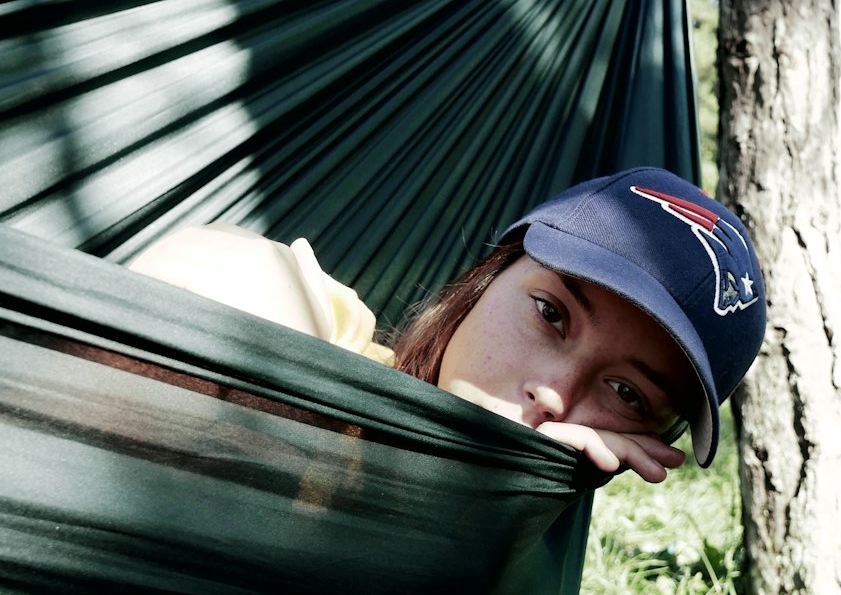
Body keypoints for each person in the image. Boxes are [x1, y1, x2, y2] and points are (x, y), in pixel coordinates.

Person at [129, 167, 766, 482]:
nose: (555, 394)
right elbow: (198, 279)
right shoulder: (328, 336)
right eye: (551, 314)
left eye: (626, 394)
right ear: (488, 278)